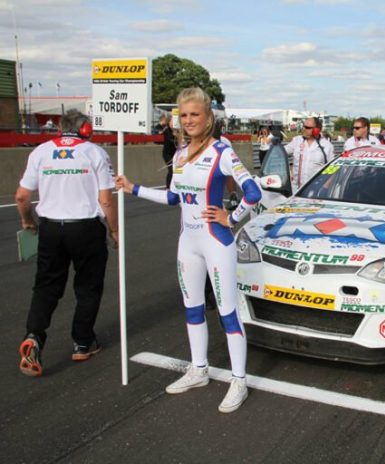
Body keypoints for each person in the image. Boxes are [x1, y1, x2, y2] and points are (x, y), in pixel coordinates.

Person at [115, 87, 262, 412]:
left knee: (226, 313)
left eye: (195, 114)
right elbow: (173, 198)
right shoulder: (180, 154)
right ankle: (199, 369)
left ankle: (239, 380)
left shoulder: (222, 151)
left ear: (208, 117)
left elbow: (253, 192)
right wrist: (132, 188)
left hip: (216, 243)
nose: (190, 120)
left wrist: (231, 217)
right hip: (188, 243)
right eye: (184, 115)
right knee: (192, 308)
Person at [15, 109, 118, 377]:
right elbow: (106, 199)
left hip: (50, 228)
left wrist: (28, 222)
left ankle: (34, 336)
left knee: (47, 286)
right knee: (88, 286)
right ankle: (82, 343)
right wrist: (114, 230)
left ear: (61, 128)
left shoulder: (40, 152)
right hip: (85, 229)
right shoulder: (95, 152)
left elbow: (22, 196)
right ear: (86, 129)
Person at [284, 117, 335, 192]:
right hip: (295, 189)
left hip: (316, 189)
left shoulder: (327, 146)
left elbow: (333, 168)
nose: (304, 129)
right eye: (303, 126)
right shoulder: (297, 141)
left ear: (317, 130)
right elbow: (281, 153)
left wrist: (325, 187)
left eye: (307, 127)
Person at [160, 113, 177, 189]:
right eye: (171, 122)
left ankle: (175, 186)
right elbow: (170, 140)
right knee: (171, 170)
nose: (173, 124)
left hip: (175, 153)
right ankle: (168, 188)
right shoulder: (167, 130)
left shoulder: (177, 130)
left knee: (177, 171)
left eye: (174, 122)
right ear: (169, 122)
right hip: (167, 154)